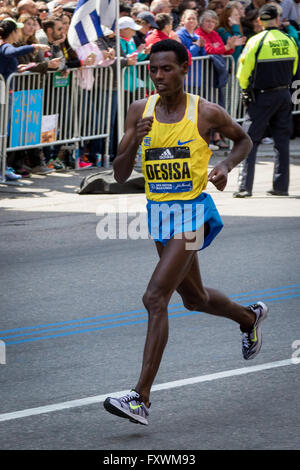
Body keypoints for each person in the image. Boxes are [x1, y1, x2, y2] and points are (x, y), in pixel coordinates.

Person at [103, 39, 269, 426]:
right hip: (159, 214)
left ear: (184, 68)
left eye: (167, 69)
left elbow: (242, 139)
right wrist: (134, 140)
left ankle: (140, 397)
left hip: (193, 216)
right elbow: (120, 173)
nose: (159, 77)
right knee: (193, 298)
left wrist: (226, 165)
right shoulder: (137, 111)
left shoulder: (205, 113)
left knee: (155, 296)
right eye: (153, 70)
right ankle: (248, 318)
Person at [234, 4, 299, 197]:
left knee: (248, 139)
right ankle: (281, 186)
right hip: (284, 95)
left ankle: (245, 187)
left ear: (260, 21)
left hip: (262, 96)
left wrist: (245, 90)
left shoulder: (256, 41)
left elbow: (242, 72)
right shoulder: (289, 41)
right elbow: (294, 68)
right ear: (278, 20)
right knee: (282, 141)